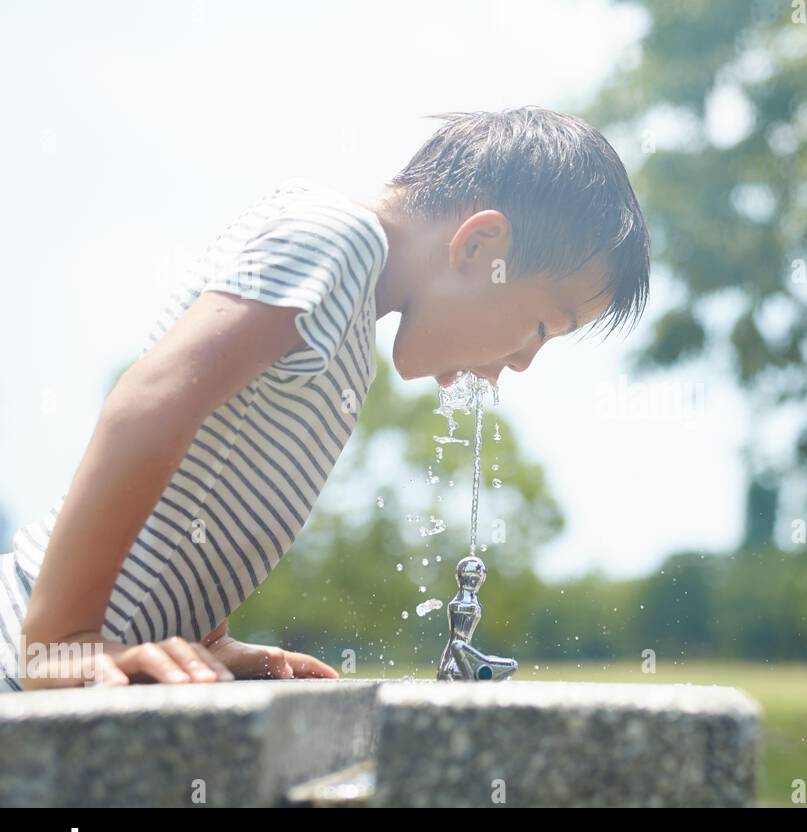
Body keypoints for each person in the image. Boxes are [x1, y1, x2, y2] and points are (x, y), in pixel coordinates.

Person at [1, 106, 650, 692]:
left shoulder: (344, 322)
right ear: (480, 246)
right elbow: (151, 400)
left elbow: (217, 462)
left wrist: (207, 637)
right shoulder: (339, 241)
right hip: (22, 642)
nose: (523, 362)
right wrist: (61, 642)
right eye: (542, 327)